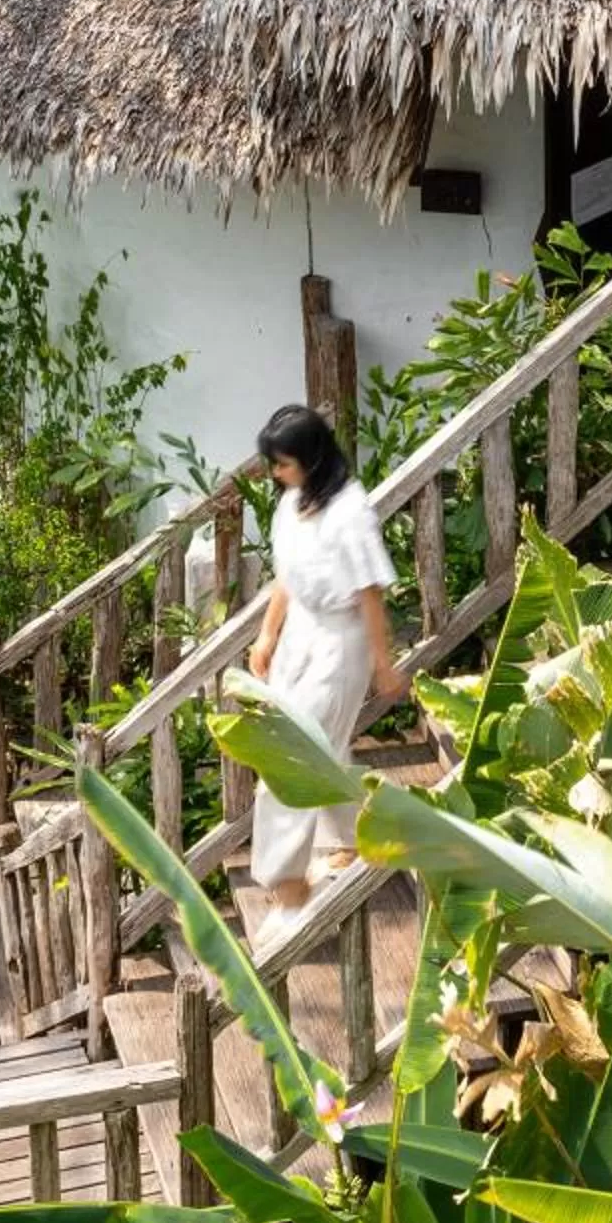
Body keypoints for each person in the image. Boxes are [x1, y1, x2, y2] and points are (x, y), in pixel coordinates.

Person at [244, 404, 402, 953]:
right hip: (301, 635)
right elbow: (286, 576)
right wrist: (268, 634)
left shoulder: (350, 511)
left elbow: (369, 593)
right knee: (321, 754)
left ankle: (290, 892)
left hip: (342, 641)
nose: (276, 474)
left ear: (310, 459)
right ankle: (366, 833)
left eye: (283, 464)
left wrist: (384, 664)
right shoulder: (292, 503)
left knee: (291, 764)